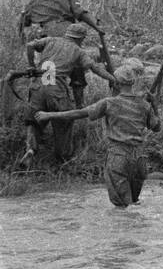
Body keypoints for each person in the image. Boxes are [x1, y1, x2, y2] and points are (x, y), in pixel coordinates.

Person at [34, 59, 159, 207]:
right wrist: (154, 104)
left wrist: (49, 115)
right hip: (139, 160)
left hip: (118, 157)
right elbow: (157, 127)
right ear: (132, 83)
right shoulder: (144, 105)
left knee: (122, 208)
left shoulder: (109, 103)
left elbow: (79, 113)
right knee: (133, 203)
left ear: (117, 83)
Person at [18, 22, 117, 163]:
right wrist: (112, 78)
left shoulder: (50, 40)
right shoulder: (78, 51)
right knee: (64, 121)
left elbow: (29, 45)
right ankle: (63, 157)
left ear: (67, 34)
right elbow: (95, 68)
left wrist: (31, 65)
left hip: (37, 86)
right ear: (81, 38)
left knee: (33, 120)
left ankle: (31, 149)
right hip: (56, 89)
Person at [19, 0, 107, 109]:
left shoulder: (34, 1)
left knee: (48, 67)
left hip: (45, 38)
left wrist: (22, 41)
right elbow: (81, 13)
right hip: (66, 33)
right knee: (76, 65)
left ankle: (46, 103)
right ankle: (79, 105)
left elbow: (23, 22)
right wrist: (97, 27)